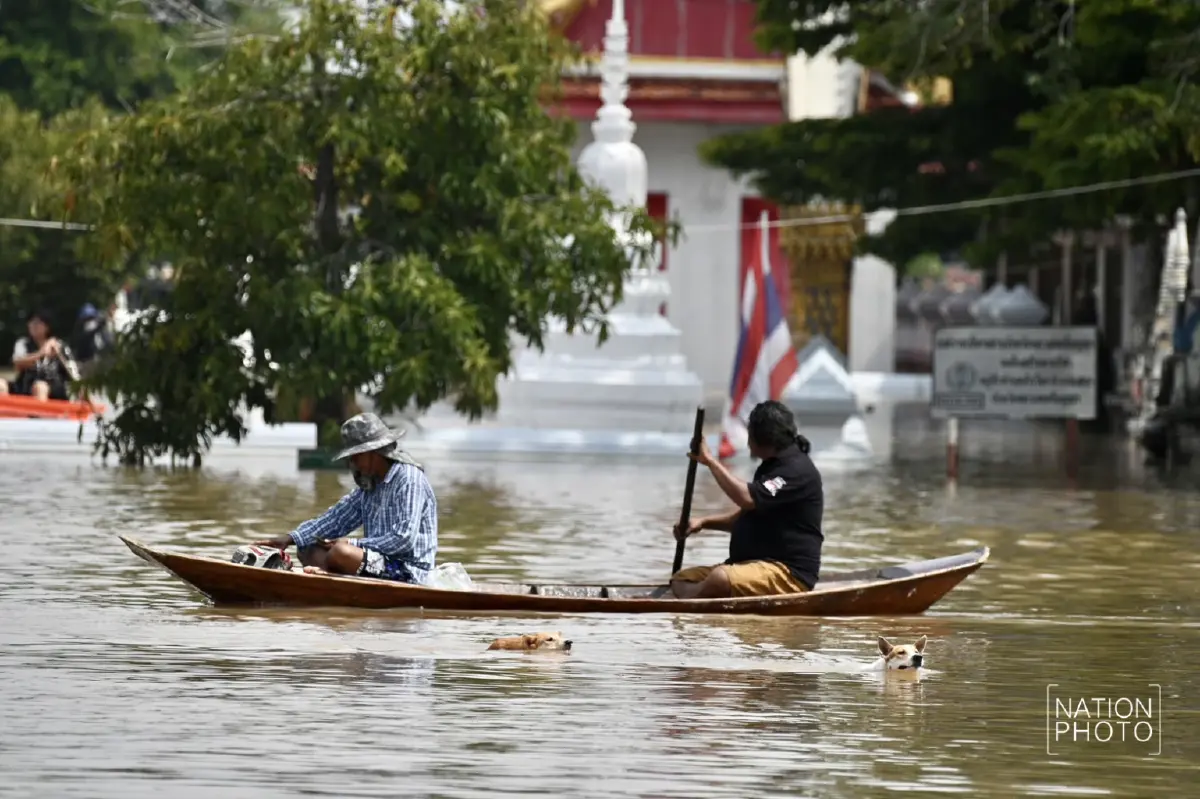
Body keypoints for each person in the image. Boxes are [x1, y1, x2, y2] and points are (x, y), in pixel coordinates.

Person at [254, 413, 438, 584]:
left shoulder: (409, 479)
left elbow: (403, 540)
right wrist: (290, 538)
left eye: (356, 457)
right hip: (376, 562)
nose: (353, 464)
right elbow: (335, 519)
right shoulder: (369, 486)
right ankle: (332, 580)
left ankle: (331, 578)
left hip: (408, 570)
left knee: (341, 552)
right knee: (307, 546)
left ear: (374, 452)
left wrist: (351, 543)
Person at [669, 400, 824, 599]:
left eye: (749, 434)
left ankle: (693, 601)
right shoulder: (770, 467)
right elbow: (745, 517)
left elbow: (747, 498)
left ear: (762, 438)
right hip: (749, 566)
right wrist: (703, 522)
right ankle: (700, 596)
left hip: (787, 573)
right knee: (681, 578)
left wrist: (710, 461)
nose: (747, 441)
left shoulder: (796, 470)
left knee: (720, 579)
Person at [0, 308, 81, 401]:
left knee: (40, 387)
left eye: (37, 322)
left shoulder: (60, 346)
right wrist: (41, 353)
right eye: (31, 322)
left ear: (47, 326)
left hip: (52, 388)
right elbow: (17, 363)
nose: (33, 325)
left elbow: (73, 371)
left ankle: (39, 415)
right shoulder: (23, 344)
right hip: (25, 386)